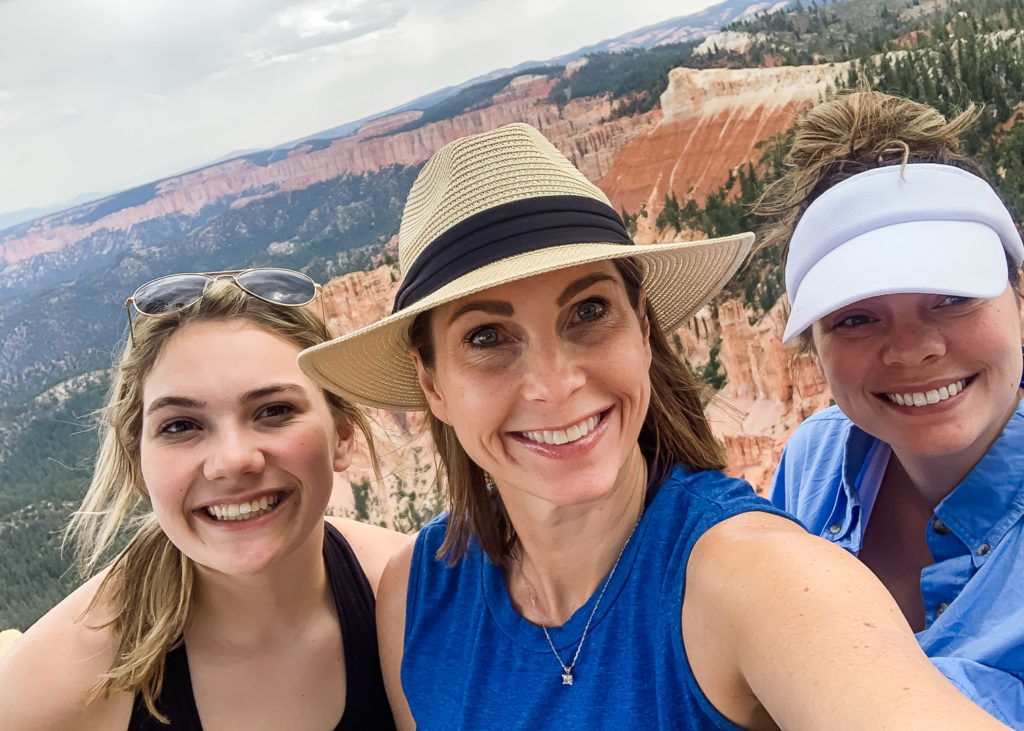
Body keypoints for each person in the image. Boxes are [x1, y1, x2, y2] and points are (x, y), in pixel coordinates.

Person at [298, 122, 1009, 729]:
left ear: (643, 331)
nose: (556, 385)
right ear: (433, 386)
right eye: (486, 338)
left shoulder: (758, 578)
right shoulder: (415, 598)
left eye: (588, 313)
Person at [0, 269, 404, 729]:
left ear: (343, 436)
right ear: (137, 465)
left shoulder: (415, 603)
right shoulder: (60, 680)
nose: (232, 461)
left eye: (274, 411)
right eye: (180, 426)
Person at [759, 90, 1024, 726]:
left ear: (1020, 297)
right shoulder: (812, 463)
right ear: (814, 349)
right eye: (856, 317)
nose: (911, 351)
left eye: (952, 297)